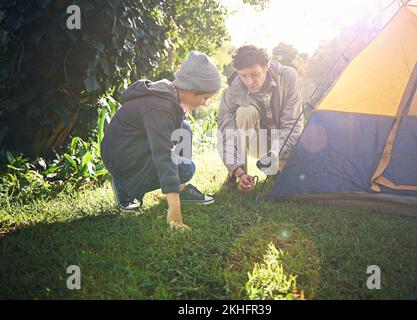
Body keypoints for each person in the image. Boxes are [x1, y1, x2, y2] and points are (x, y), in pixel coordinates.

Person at [101, 51, 221, 230]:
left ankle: (180, 187)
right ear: (190, 90)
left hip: (132, 148)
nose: (204, 103)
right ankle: (125, 186)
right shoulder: (159, 107)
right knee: (186, 168)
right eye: (205, 98)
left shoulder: (169, 97)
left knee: (184, 129)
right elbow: (164, 155)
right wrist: (175, 213)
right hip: (124, 158)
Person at [217, 45, 304, 192]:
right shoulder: (233, 91)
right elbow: (226, 134)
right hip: (254, 141)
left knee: (297, 182)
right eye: (243, 76)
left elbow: (292, 124)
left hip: (283, 143)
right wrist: (238, 171)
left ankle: (273, 169)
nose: (250, 81)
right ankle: (236, 178)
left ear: (267, 66)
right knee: (245, 111)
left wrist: (274, 154)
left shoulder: (289, 77)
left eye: (254, 74)